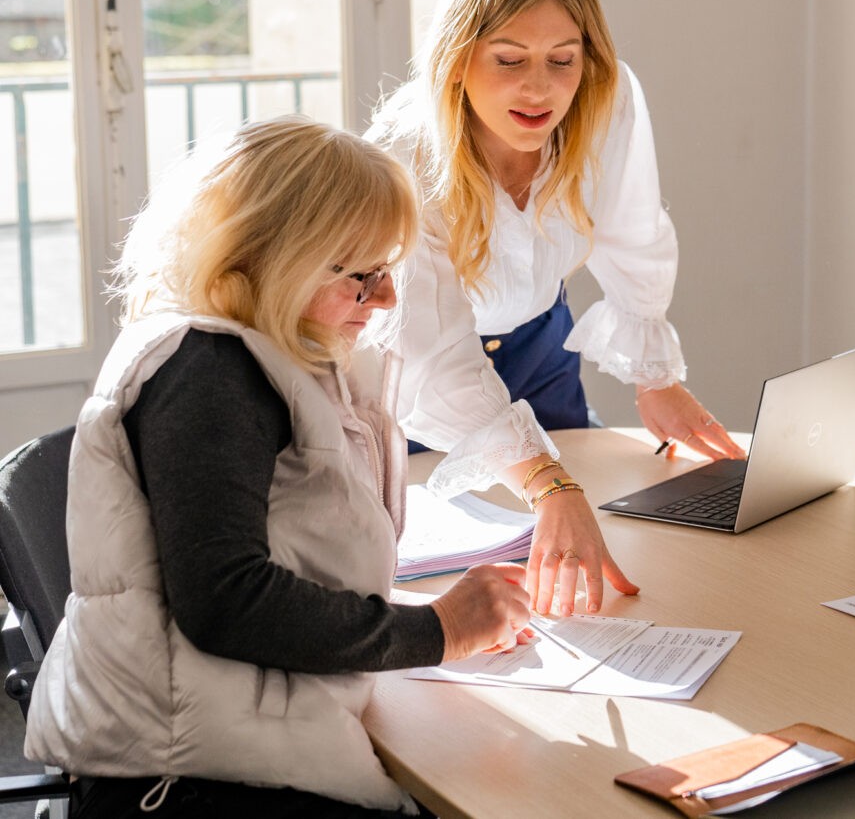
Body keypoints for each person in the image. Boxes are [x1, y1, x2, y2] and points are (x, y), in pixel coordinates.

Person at [26, 118, 534, 816]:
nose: (384, 299)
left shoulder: (265, 354)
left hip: (233, 738)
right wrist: (437, 631)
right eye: (363, 276)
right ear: (274, 258)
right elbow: (226, 600)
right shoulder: (206, 372)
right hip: (193, 781)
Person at [369, 0, 742, 614]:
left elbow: (633, 231)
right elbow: (430, 350)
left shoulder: (606, 101)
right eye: (509, 59)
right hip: (415, 377)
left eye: (562, 59)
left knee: (589, 561)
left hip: (541, 348)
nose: (539, 89)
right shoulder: (405, 149)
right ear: (458, 60)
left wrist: (656, 377)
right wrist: (547, 481)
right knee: (442, 572)